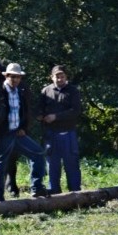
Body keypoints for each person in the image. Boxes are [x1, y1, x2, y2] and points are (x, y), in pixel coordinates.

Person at [0, 63, 48, 201]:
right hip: (1, 135)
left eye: (18, 77)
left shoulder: (21, 91)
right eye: (12, 77)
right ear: (6, 76)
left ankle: (37, 189)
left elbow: (25, 112)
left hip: (16, 133)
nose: (15, 80)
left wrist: (23, 128)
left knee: (38, 153)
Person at [39, 64, 82, 194]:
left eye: (62, 76)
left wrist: (56, 117)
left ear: (66, 76)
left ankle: (75, 194)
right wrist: (40, 116)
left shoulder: (73, 91)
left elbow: (76, 111)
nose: (59, 79)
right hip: (51, 135)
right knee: (52, 165)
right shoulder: (45, 91)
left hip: (68, 134)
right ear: (51, 77)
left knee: (72, 165)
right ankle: (54, 193)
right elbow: (39, 109)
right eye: (57, 76)